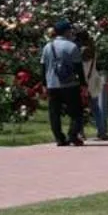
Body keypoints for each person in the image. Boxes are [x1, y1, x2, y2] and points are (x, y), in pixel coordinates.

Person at [39, 19, 86, 147]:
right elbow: (78, 68)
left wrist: (44, 84)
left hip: (52, 84)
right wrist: (83, 84)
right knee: (77, 112)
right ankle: (73, 135)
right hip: (69, 84)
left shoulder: (47, 47)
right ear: (66, 31)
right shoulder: (72, 46)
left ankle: (59, 138)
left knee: (54, 113)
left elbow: (43, 67)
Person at [74, 27, 108, 141]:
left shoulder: (81, 51)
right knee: (95, 108)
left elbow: (82, 68)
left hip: (83, 83)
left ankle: (80, 132)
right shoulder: (92, 49)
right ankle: (101, 131)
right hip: (92, 81)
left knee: (79, 109)